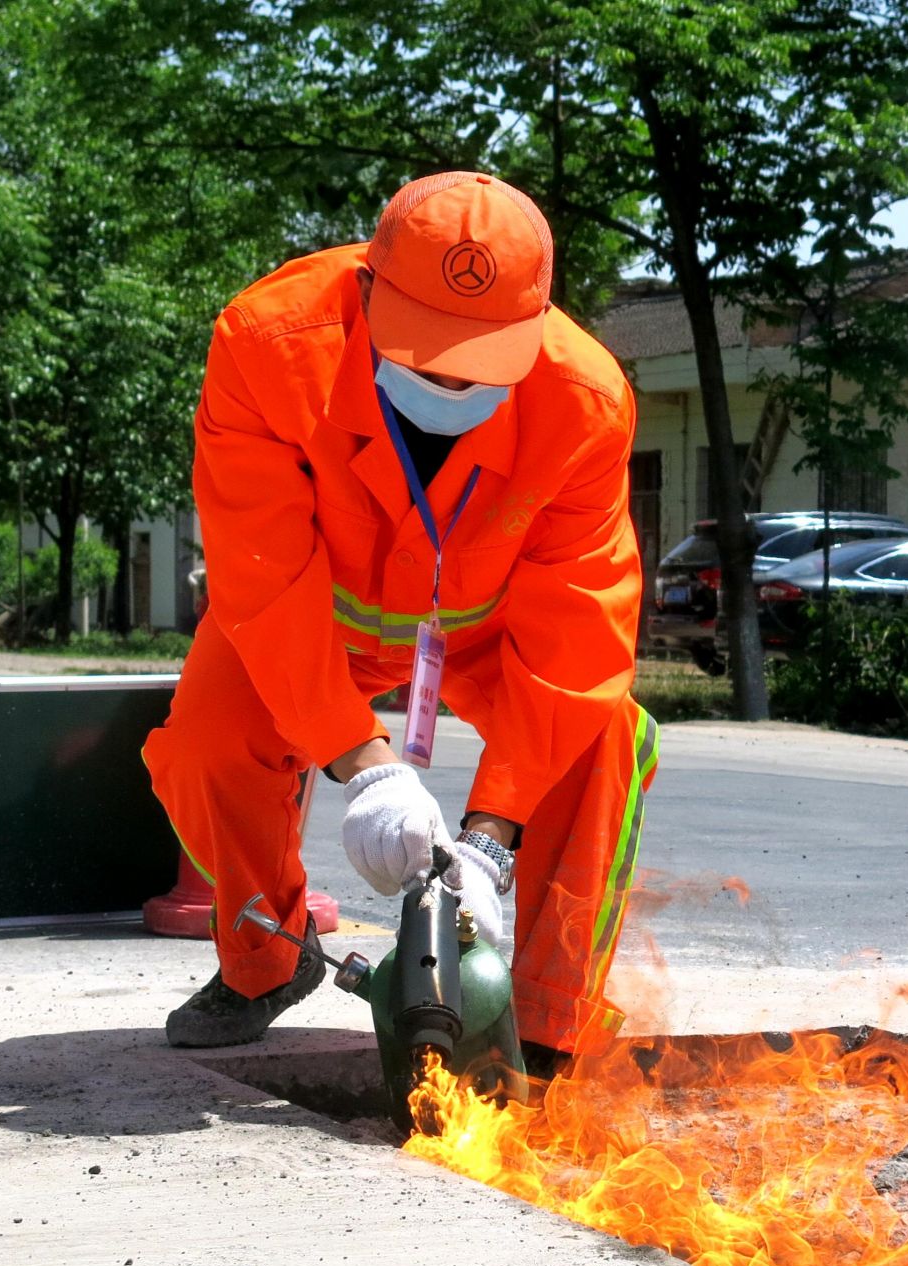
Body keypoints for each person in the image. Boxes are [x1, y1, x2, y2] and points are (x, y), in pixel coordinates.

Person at [143, 172, 657, 1067]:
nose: (453, 381)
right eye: (426, 353)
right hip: (307, 620)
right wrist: (365, 765)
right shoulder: (268, 346)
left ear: (538, 325)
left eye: (482, 359)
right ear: (368, 286)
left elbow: (579, 634)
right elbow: (259, 579)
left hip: (482, 631)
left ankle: (537, 1024)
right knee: (208, 743)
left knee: (605, 736)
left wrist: (492, 836)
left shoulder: (587, 401)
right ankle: (268, 961)